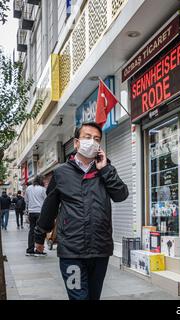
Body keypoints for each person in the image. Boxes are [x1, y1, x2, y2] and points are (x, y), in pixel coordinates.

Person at [34, 122, 129, 300]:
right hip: (72, 250)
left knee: (93, 297)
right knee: (78, 298)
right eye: (87, 137)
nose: (92, 142)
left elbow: (121, 195)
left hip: (100, 249)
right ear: (76, 143)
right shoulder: (61, 173)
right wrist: (39, 236)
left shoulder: (106, 169)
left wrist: (106, 169)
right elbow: (50, 207)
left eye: (96, 139)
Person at [25, 175, 47, 256]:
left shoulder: (28, 188)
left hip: (31, 212)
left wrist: (27, 212)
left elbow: (26, 200)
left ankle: (30, 249)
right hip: (40, 212)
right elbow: (46, 201)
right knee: (40, 231)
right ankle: (39, 250)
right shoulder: (42, 189)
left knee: (31, 231)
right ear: (41, 181)